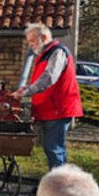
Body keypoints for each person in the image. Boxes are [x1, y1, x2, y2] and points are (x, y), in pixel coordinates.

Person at [11, 23, 83, 170]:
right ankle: (54, 184)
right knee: (52, 149)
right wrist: (26, 88)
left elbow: (49, 77)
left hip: (58, 108)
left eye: (32, 41)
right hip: (50, 108)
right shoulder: (45, 54)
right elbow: (40, 79)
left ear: (43, 37)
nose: (31, 45)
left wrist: (25, 92)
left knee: (54, 148)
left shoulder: (57, 52)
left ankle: (57, 187)